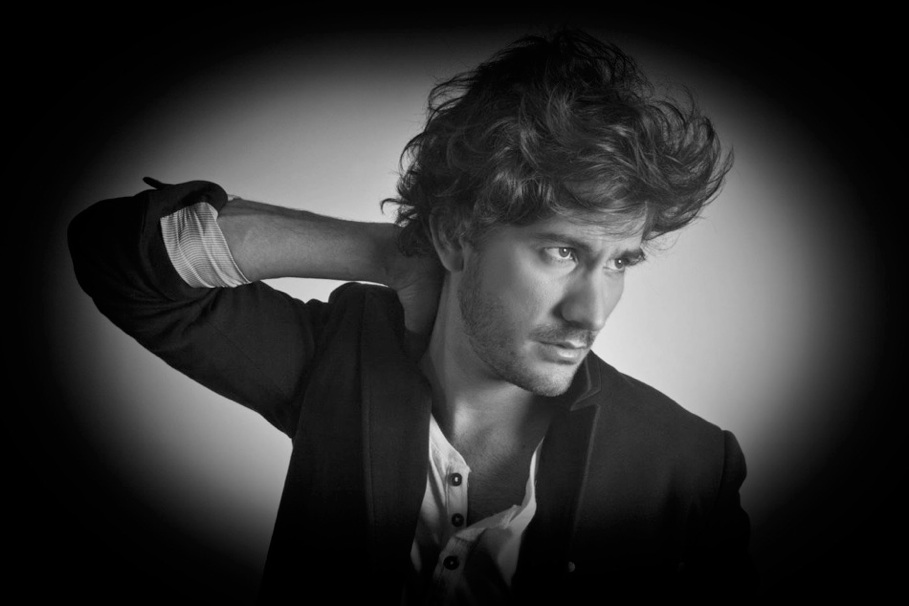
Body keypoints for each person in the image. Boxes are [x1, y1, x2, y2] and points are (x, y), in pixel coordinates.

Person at [69, 29, 753, 603]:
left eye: (620, 262)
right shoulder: (341, 363)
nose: (590, 312)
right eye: (561, 251)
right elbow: (122, 260)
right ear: (457, 236)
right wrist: (395, 254)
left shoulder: (688, 466)